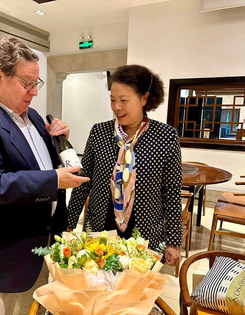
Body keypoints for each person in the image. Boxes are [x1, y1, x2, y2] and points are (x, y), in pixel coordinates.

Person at [0, 36, 89, 315]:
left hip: (37, 249)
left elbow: (38, 164)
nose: (33, 92)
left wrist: (61, 141)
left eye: (36, 83)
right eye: (26, 83)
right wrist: (53, 180)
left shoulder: (34, 116)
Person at [67, 64, 182, 267]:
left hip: (145, 231)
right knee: (98, 285)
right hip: (101, 227)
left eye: (124, 100)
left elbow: (171, 191)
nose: (116, 107)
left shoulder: (165, 136)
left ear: (144, 99)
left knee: (136, 291)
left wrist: (173, 241)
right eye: (112, 99)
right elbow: (83, 182)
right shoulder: (99, 133)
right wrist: (68, 223)